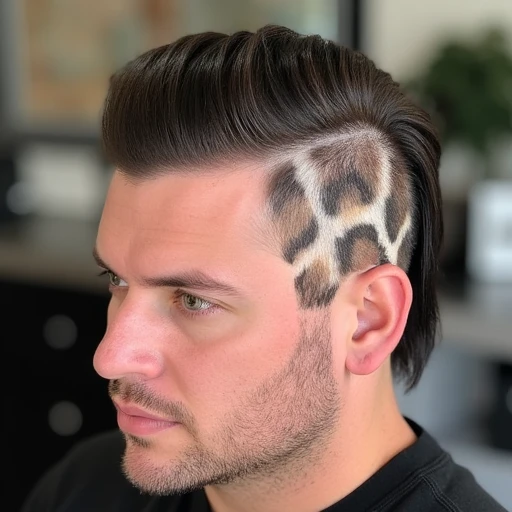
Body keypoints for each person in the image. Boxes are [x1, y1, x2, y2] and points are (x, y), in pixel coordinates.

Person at [22, 25, 507, 512]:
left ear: (367, 321)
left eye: (193, 301)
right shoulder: (85, 488)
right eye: (118, 280)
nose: (110, 357)